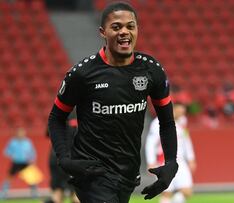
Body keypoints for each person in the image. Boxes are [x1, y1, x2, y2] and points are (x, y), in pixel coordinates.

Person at [47, 2, 178, 203]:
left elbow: (167, 121)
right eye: (116, 27)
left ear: (137, 29)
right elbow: (56, 117)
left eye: (130, 26)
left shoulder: (151, 70)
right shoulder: (83, 74)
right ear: (103, 32)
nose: (124, 32)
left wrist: (171, 163)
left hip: (127, 173)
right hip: (92, 174)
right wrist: (64, 159)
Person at [146, 102, 196, 203]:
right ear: (172, 110)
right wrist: (151, 161)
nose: (181, 114)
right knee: (166, 192)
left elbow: (186, 140)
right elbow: (150, 143)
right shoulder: (158, 123)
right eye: (179, 112)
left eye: (183, 112)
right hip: (164, 161)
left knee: (187, 191)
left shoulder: (182, 121)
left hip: (180, 161)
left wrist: (191, 158)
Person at [44, 111, 80, 203]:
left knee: (57, 194)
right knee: (76, 194)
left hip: (54, 157)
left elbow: (48, 133)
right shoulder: (78, 113)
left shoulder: (56, 112)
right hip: (70, 159)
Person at [0, 128, 38, 199]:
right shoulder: (12, 142)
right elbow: (6, 151)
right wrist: (13, 155)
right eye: (20, 133)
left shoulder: (27, 142)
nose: (21, 134)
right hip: (16, 162)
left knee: (32, 179)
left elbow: (32, 151)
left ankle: (34, 195)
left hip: (25, 162)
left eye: (22, 133)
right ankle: (2, 194)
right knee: (9, 178)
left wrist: (32, 159)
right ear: (17, 134)